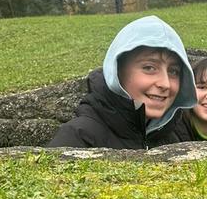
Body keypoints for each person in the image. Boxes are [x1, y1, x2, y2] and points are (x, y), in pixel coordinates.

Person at [48, 15, 198, 149]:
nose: (165, 84)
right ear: (117, 70)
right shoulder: (78, 139)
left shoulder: (172, 139)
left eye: (174, 71)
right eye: (149, 67)